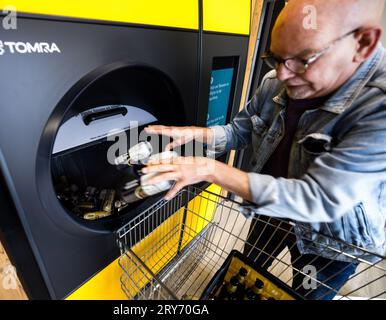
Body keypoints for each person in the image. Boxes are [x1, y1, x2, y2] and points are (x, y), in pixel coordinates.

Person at [142, 0, 386, 299]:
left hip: (329, 242)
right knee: (247, 277)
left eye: (301, 60)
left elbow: (319, 199)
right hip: (268, 213)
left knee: (306, 294)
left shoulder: (379, 107)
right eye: (276, 58)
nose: (282, 75)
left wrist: (209, 169)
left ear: (363, 42)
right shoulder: (276, 82)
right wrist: (197, 134)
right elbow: (239, 130)